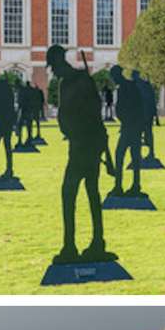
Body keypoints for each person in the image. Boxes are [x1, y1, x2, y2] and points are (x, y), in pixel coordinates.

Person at [45, 45, 116, 264]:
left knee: (71, 194)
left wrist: (106, 155)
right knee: (91, 194)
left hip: (83, 146)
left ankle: (74, 246)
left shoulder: (75, 82)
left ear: (58, 62)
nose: (53, 72)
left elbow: (93, 117)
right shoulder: (74, 81)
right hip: (84, 145)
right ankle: (95, 242)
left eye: (53, 67)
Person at [109, 65, 145, 196]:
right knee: (133, 157)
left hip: (130, 127)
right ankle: (134, 185)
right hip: (130, 126)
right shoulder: (128, 86)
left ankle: (120, 186)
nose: (113, 80)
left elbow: (134, 107)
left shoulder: (126, 87)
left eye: (113, 77)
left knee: (121, 156)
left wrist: (126, 120)